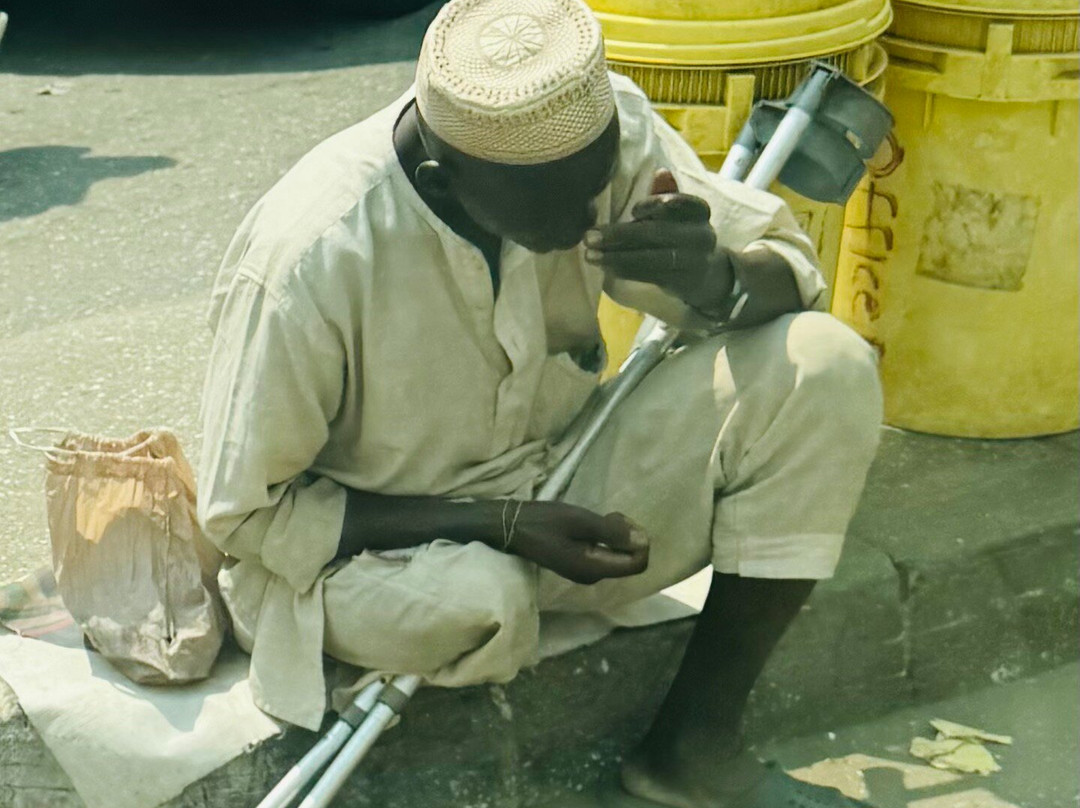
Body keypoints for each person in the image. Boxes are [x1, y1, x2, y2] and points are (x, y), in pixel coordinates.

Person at [197, 0, 883, 805]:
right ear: (437, 179)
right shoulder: (312, 254)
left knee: (824, 364)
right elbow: (248, 518)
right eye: (553, 208)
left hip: (561, 486)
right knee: (476, 601)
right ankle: (507, 596)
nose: (587, 217)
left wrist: (714, 277)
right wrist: (500, 526)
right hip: (377, 553)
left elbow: (782, 269)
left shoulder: (598, 132)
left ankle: (691, 746)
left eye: (596, 186)